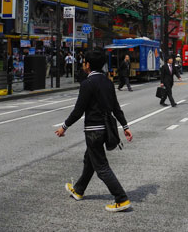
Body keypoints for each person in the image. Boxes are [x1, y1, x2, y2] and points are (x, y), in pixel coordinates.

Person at [55, 51, 133, 212]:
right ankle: (78, 190)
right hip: (105, 128)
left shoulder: (87, 83)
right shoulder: (107, 81)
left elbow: (78, 111)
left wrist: (64, 126)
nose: (83, 64)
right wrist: (125, 127)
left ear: (88, 65)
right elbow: (116, 108)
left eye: (84, 62)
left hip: (93, 130)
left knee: (102, 166)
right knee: (89, 158)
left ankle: (121, 198)